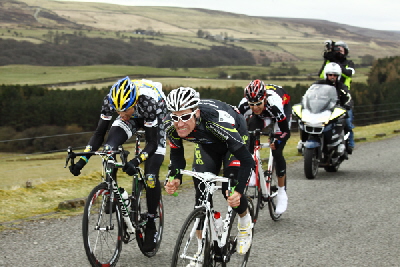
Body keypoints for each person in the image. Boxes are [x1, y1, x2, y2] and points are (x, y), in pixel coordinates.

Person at [69, 76, 167, 252]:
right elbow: (99, 134)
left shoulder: (149, 102)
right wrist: (82, 161)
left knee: (151, 175)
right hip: (134, 118)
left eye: (124, 109)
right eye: (117, 110)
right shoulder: (110, 100)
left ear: (134, 101)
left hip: (156, 119)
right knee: (109, 148)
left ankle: (151, 223)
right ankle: (114, 192)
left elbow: (152, 143)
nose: (120, 113)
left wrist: (137, 161)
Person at [164, 87, 255, 255]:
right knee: (201, 195)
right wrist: (175, 176)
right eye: (175, 117)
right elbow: (177, 155)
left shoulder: (215, 123)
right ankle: (201, 252)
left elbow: (248, 161)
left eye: (185, 116)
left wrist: (239, 190)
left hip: (233, 139)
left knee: (230, 190)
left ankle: (245, 222)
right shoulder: (171, 126)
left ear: (196, 113)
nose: (180, 123)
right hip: (206, 143)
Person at [238, 80, 291, 215]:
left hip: (281, 109)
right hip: (263, 115)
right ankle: (252, 170)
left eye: (258, 104)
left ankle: (281, 192)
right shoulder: (244, 105)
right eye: (252, 104)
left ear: (264, 98)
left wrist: (278, 141)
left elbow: (286, 131)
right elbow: (238, 129)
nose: (255, 108)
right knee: (248, 134)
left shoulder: (274, 104)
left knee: (277, 150)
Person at [298, 62, 353, 158]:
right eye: (330, 75)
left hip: (336, 110)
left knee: (347, 123)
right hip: (321, 110)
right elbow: (308, 95)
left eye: (334, 75)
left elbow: (348, 97)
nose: (332, 77)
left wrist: (347, 105)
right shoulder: (317, 84)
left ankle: (347, 145)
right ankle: (303, 141)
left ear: (338, 76)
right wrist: (304, 102)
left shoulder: (341, 86)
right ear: (326, 75)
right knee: (304, 122)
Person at [319, 40, 355, 153]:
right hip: (326, 95)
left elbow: (348, 73)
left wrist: (336, 61)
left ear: (346, 52)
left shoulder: (350, 63)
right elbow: (321, 74)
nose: (338, 52)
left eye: (341, 50)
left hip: (343, 94)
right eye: (336, 49)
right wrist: (327, 60)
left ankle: (350, 143)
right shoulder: (330, 62)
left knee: (347, 122)